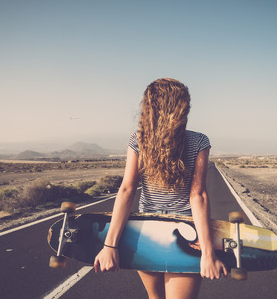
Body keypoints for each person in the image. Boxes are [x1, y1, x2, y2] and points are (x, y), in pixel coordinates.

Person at [93, 78, 227, 299]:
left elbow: (127, 190)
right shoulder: (196, 141)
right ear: (179, 108)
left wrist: (111, 245)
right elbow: (198, 196)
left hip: (147, 231)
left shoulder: (141, 140)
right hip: (184, 231)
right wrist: (207, 251)